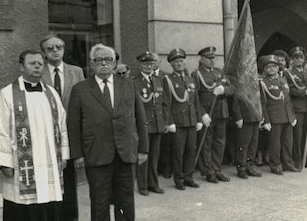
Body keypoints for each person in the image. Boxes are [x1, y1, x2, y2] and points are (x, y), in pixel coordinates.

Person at [67, 44, 148, 221]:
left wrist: (143, 149)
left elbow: (140, 118)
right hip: (96, 154)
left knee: (126, 201)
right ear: (91, 64)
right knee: (99, 202)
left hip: (125, 153)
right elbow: (73, 124)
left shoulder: (128, 85)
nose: (103, 63)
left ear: (114, 63)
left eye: (108, 59)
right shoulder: (80, 89)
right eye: (98, 60)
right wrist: (77, 155)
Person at [0, 50, 69, 221]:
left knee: (49, 203)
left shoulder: (52, 94)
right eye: (32, 63)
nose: (37, 67)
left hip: (49, 162)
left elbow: (62, 126)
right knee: (22, 209)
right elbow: (0, 129)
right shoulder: (7, 94)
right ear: (21, 67)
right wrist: (4, 162)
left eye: (40, 64)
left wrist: (64, 154)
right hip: (21, 166)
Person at [40, 34, 84, 221]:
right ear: (43, 53)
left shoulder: (77, 71)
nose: (55, 51)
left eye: (58, 47)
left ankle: (70, 216)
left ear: (64, 49)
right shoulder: (37, 71)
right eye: (50, 48)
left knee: (69, 179)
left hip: (70, 132)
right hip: (46, 134)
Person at [163, 48, 205, 190]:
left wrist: (199, 119)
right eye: (176, 62)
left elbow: (196, 101)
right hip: (178, 123)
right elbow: (166, 103)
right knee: (178, 152)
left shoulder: (190, 79)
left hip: (191, 121)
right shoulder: (168, 80)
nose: (179, 64)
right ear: (172, 65)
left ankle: (189, 177)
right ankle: (179, 179)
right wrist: (170, 122)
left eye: (181, 61)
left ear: (185, 62)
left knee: (190, 151)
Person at [192, 46, 235, 183]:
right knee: (206, 142)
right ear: (202, 59)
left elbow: (232, 88)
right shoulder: (197, 74)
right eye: (208, 58)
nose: (211, 61)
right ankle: (208, 171)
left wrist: (223, 90)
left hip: (221, 112)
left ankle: (217, 169)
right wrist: (202, 114)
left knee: (219, 142)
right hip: (207, 114)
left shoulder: (219, 73)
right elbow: (194, 97)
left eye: (213, 58)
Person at [260, 55, 298, 175]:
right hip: (274, 117)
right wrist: (265, 120)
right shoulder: (263, 83)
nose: (271, 69)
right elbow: (262, 103)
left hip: (286, 116)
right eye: (268, 67)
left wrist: (292, 116)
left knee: (288, 143)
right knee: (275, 144)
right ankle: (275, 165)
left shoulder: (283, 80)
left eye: (274, 66)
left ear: (278, 68)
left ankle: (288, 164)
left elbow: (288, 100)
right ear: (264, 69)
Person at [133, 51, 165, 196]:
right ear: (140, 65)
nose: (149, 66)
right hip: (144, 125)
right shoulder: (135, 81)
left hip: (157, 124)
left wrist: (165, 122)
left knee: (154, 157)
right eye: (145, 64)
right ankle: (143, 185)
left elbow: (164, 104)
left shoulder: (158, 80)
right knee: (143, 156)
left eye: (151, 64)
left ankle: (153, 184)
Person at [285, 46, 307, 170]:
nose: (299, 59)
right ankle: (298, 160)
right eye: (296, 57)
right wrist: (305, 93)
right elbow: (289, 91)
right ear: (292, 59)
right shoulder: (289, 73)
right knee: (298, 136)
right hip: (297, 108)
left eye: (301, 57)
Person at [232, 96, 263, 179]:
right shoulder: (239, 82)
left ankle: (249, 167)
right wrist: (238, 117)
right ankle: (241, 168)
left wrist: (261, 116)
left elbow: (260, 99)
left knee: (253, 144)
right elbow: (235, 100)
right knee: (244, 144)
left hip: (255, 116)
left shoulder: (256, 82)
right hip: (245, 116)